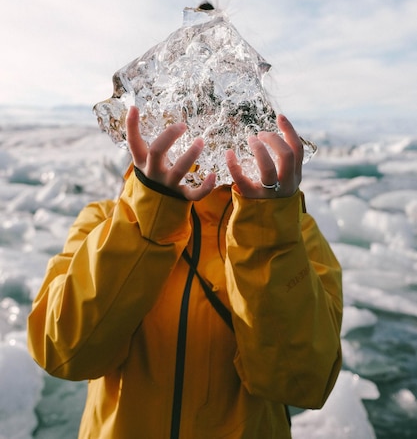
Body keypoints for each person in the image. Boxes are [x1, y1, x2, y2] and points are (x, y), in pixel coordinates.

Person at [27, 97, 343, 438]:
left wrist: (267, 227)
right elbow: (61, 353)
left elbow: (304, 384)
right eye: (187, 116)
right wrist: (150, 212)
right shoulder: (106, 220)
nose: (206, 135)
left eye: (226, 121)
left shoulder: (292, 232)